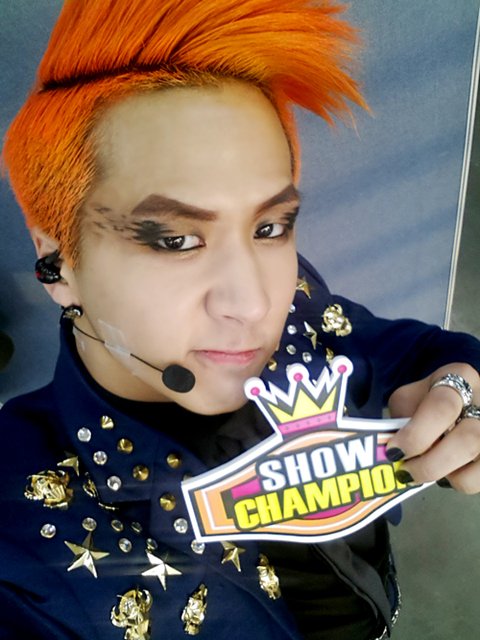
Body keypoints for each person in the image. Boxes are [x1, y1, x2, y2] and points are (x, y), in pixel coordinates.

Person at [1, 1, 479, 639]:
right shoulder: (21, 540)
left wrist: (457, 384)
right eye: (175, 240)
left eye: (270, 227)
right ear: (57, 262)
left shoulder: (300, 298)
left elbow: (405, 350)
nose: (254, 303)